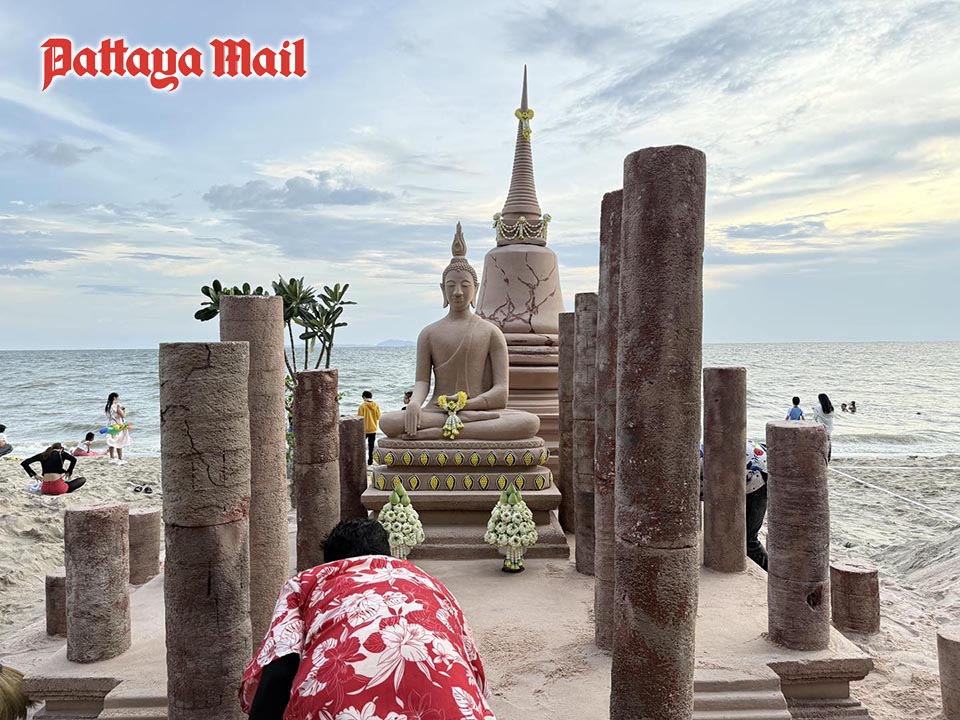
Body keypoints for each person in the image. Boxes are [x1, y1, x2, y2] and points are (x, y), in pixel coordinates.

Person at [240, 518, 494, 720]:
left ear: (330, 562)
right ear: (389, 555)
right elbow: (472, 665)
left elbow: (280, 666)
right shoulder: (431, 585)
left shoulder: (306, 583)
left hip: (334, 706)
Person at [21, 443, 86, 495]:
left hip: (45, 489)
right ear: (61, 449)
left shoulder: (43, 455)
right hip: (58, 488)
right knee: (82, 479)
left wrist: (34, 475)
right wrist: (69, 471)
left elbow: (24, 463)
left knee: (64, 482)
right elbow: (74, 460)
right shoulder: (61, 453)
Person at [104, 392, 131, 465]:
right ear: (114, 398)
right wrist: (123, 410)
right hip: (117, 425)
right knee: (119, 441)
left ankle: (112, 458)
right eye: (118, 397)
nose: (119, 398)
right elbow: (123, 416)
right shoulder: (116, 406)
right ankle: (120, 459)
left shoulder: (107, 406)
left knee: (112, 441)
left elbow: (109, 416)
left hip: (110, 425)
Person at [357, 390, 382, 464]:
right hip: (373, 428)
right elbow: (378, 417)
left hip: (364, 429)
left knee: (360, 445)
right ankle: (370, 461)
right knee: (371, 446)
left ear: (364, 397)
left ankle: (360, 460)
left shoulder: (362, 406)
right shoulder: (376, 405)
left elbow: (359, 418)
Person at [812, 393, 835, 462]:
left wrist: (814, 410)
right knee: (828, 443)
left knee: (821, 444)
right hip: (829, 428)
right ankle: (828, 458)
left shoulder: (817, 407)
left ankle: (821, 459)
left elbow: (815, 418)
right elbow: (831, 417)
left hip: (821, 428)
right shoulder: (831, 408)